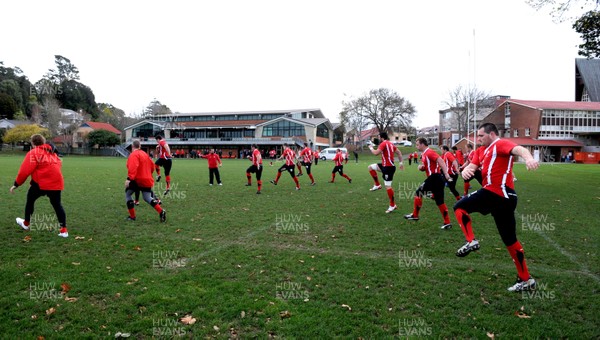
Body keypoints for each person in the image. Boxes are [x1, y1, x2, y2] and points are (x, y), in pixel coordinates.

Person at [453, 123, 539, 292]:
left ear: (491, 134)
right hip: (503, 198)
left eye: (481, 136)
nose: (478, 139)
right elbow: (471, 167)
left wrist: (528, 158)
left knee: (459, 207)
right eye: (477, 136)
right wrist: (465, 172)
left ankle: (471, 241)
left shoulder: (499, 144)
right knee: (510, 240)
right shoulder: (480, 151)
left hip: (497, 192)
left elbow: (520, 149)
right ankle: (526, 280)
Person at [10, 134, 69, 238]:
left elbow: (24, 171)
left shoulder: (33, 153)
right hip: (56, 183)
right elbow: (57, 165)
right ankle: (64, 231)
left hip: (41, 184)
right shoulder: (52, 153)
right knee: (57, 205)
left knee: (30, 200)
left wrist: (16, 184)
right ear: (43, 142)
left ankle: (26, 223)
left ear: (32, 143)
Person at [404, 137, 453, 229]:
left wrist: (446, 174)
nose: (416, 146)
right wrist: (422, 168)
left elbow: (440, 161)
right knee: (440, 202)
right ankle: (447, 222)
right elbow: (430, 166)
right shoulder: (424, 154)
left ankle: (415, 215)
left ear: (423, 144)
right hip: (436, 179)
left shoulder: (429, 152)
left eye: (418, 144)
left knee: (419, 193)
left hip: (434, 177)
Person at [125, 140, 166, 222]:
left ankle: (132, 217)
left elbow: (133, 167)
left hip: (137, 179)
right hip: (147, 179)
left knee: (128, 194)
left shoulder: (134, 155)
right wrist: (147, 174)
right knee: (147, 197)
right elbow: (152, 166)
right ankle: (161, 211)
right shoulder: (145, 154)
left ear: (132, 147)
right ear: (139, 146)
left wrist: (129, 179)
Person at [367, 132, 404, 213]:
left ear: (381, 137)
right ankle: (377, 185)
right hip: (384, 166)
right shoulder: (390, 144)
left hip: (388, 168)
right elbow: (399, 153)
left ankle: (392, 205)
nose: (378, 138)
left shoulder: (383, 143)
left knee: (388, 186)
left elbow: (376, 153)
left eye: (378, 136)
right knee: (370, 167)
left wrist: (371, 148)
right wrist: (401, 163)